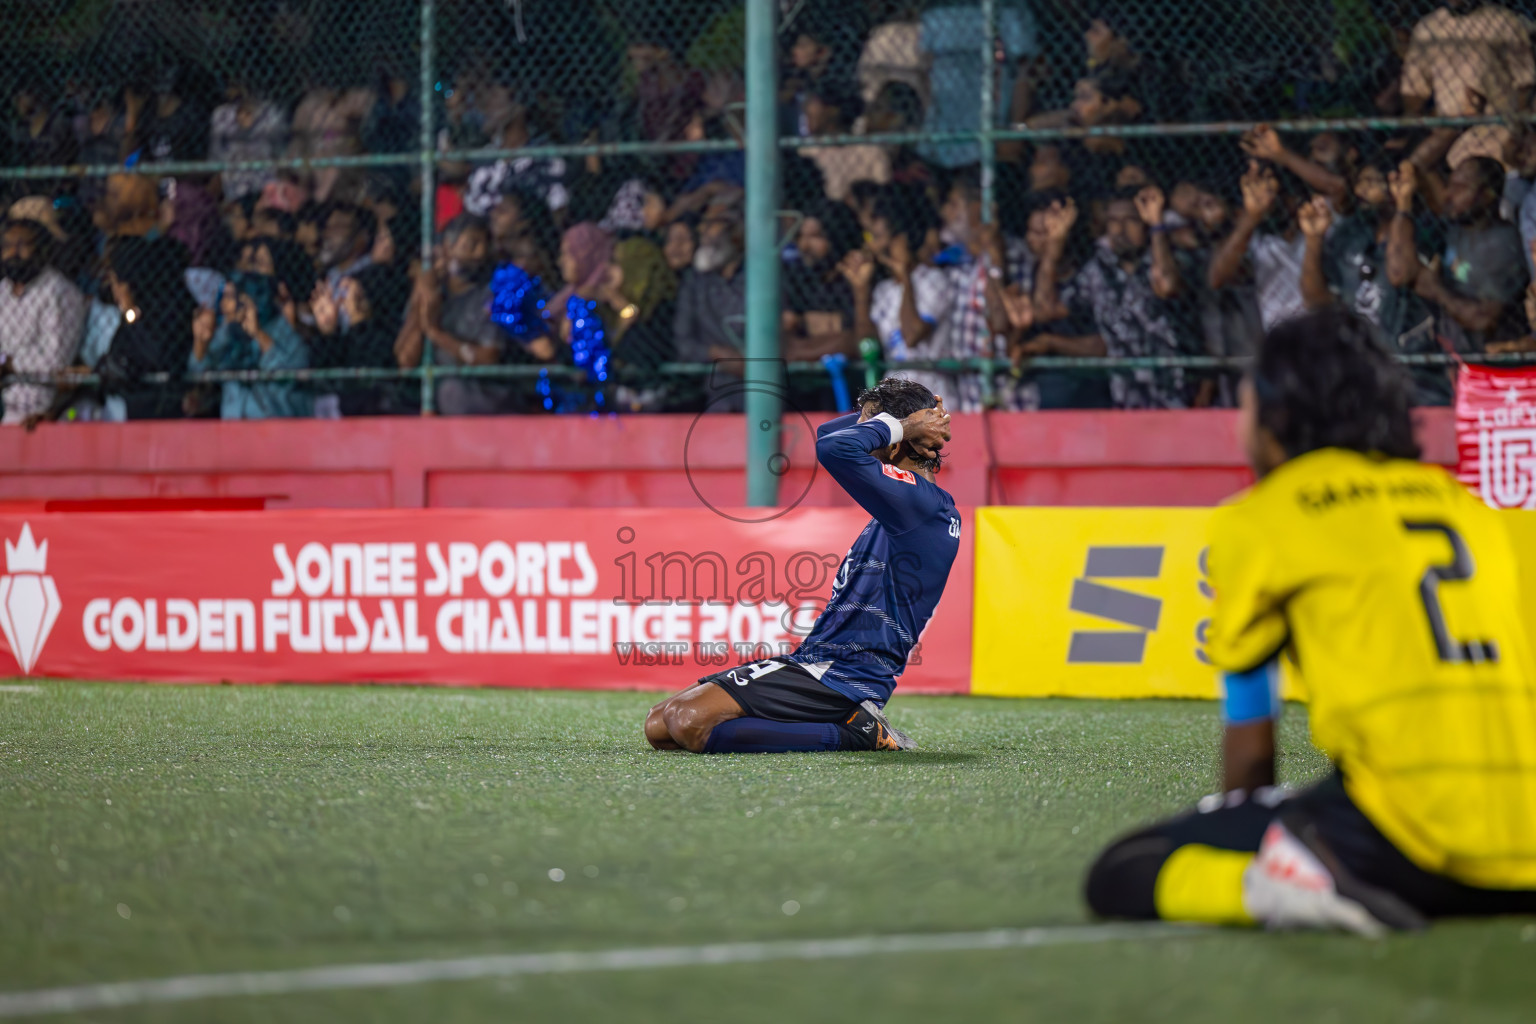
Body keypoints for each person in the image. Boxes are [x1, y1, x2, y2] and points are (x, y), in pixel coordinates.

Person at [1085, 307, 1536, 933]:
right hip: (1527, 855)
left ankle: (1285, 890)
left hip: (1410, 849)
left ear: (1278, 417)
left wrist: (1250, 833)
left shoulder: (1263, 518)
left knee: (1123, 869)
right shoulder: (1470, 511)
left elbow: (1251, 739)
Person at [645, 377, 959, 754]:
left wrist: (906, 423)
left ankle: (854, 734)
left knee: (688, 722)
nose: (867, 436)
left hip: (845, 676)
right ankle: (841, 725)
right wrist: (904, 420)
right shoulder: (912, 505)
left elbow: (835, 446)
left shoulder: (919, 504)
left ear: (893, 442)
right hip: (817, 663)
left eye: (873, 428)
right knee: (660, 725)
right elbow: (829, 434)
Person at [1041, 186, 1194, 410]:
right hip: (1122, 400)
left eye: (1130, 220)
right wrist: (1053, 247)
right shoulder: (1098, 270)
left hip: (1174, 396)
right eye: (1113, 221)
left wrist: (1157, 226)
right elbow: (1047, 308)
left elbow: (1167, 284)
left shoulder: (1169, 259)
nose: (1120, 230)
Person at [394, 214, 518, 415]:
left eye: (485, 246)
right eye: (471, 245)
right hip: (437, 387)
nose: (480, 253)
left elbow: (488, 358)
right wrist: (421, 301)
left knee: (452, 391)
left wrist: (436, 334)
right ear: (446, 249)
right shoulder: (433, 290)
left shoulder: (490, 294)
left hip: (480, 390)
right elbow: (406, 361)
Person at [1410, 156, 1529, 354]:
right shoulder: (1457, 228)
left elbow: (1483, 320)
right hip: (1456, 354)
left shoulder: (1502, 244)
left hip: (1492, 360)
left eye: (1461, 187)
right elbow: (1422, 163)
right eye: (1450, 185)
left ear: (1487, 195)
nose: (1449, 194)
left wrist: (1436, 289)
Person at [188, 238, 313, 420]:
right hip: (234, 431)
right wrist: (201, 343)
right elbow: (199, 374)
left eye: (230, 297)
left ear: (249, 298)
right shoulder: (228, 332)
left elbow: (288, 374)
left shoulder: (282, 330)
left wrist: (258, 334)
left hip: (279, 429)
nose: (223, 304)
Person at [0, 212, 85, 425]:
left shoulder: (59, 291)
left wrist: (11, 364)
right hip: (8, 408)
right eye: (7, 246)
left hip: (50, 410)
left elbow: (55, 359)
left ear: (41, 249)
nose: (13, 253)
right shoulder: (2, 291)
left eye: (22, 245)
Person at [673, 195, 747, 411]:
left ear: (736, 233)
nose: (704, 233)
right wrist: (716, 354)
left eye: (713, 225)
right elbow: (683, 342)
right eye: (704, 225)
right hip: (717, 387)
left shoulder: (760, 276)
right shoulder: (695, 282)